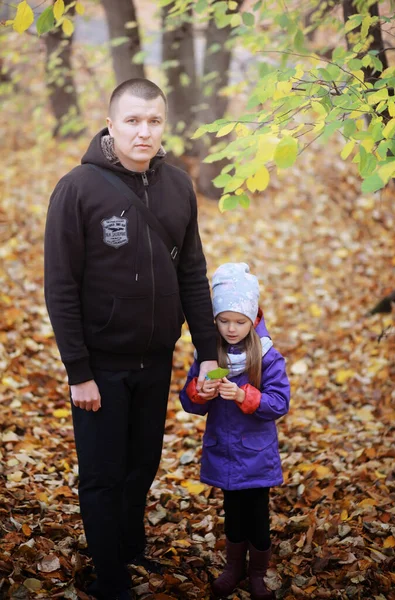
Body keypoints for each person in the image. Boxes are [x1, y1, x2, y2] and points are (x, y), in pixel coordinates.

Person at [44, 78, 218, 600]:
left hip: (156, 357)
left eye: (154, 121)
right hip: (100, 362)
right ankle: (110, 578)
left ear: (164, 124)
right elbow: (60, 287)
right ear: (111, 122)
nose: (144, 132)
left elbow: (192, 271)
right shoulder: (77, 189)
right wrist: (79, 372)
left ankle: (128, 543)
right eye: (133, 121)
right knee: (102, 474)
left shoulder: (179, 186)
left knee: (143, 463)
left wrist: (209, 354)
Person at [179, 263, 290, 600]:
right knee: (232, 514)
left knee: (257, 515)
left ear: (253, 318)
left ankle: (258, 573)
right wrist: (201, 392)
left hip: (256, 454)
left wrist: (245, 396)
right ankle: (233, 568)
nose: (231, 328)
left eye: (239, 321)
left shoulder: (267, 356)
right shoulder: (209, 356)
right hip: (224, 452)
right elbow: (189, 400)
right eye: (223, 320)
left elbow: (279, 402)